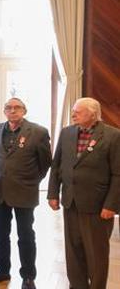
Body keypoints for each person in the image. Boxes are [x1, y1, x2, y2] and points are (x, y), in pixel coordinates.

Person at [47, 98, 120, 289]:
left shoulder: (113, 136)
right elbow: (56, 166)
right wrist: (53, 193)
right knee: (73, 251)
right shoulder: (67, 133)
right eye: (73, 111)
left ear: (93, 114)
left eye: (77, 111)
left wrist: (111, 205)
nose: (73, 115)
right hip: (70, 202)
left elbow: (118, 174)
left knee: (96, 254)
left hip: (98, 206)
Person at [0, 98, 51, 289]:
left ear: (24, 110)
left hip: (25, 191)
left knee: (25, 236)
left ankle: (28, 276)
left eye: (17, 108)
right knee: (0, 234)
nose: (12, 111)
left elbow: (46, 162)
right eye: (8, 108)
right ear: (4, 111)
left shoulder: (38, 132)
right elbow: (0, 158)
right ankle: (2, 270)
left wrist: (32, 180)